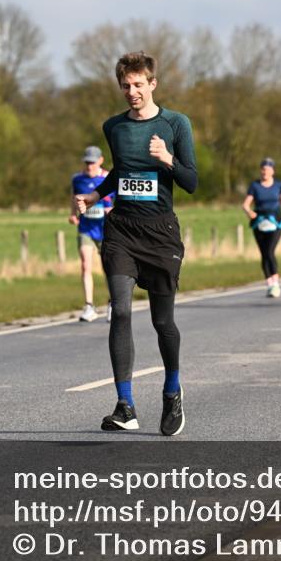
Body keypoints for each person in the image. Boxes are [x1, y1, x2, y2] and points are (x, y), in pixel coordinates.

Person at [75, 51, 197, 436]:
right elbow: (121, 173)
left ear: (153, 84)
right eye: (126, 85)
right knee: (121, 311)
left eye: (139, 84)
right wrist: (96, 195)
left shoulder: (176, 124)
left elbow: (192, 182)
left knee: (162, 321)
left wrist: (167, 159)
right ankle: (125, 405)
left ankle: (172, 390)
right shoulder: (113, 127)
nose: (132, 91)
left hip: (160, 234)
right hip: (122, 231)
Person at [70, 146, 114, 322]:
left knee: (108, 268)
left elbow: (118, 199)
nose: (89, 166)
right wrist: (73, 214)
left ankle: (113, 303)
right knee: (85, 265)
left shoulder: (109, 178)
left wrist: (112, 211)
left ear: (100, 161)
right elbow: (74, 198)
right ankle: (89, 306)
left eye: (93, 162)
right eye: (87, 162)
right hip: (86, 228)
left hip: (106, 229)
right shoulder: (77, 179)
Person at [242, 158, 281, 297]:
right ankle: (269, 283)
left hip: (275, 221)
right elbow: (246, 204)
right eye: (263, 169)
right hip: (259, 221)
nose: (265, 172)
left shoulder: (278, 185)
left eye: (267, 169)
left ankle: (276, 282)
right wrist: (249, 212)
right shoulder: (254, 186)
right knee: (264, 252)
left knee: (270, 250)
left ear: (272, 171)